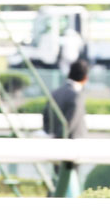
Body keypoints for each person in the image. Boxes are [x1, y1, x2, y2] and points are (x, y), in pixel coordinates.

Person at [42, 57, 89, 198]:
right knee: (69, 183)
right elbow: (71, 122)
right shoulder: (76, 95)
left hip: (56, 142)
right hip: (71, 145)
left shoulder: (56, 92)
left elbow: (45, 117)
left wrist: (52, 134)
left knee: (57, 181)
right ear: (85, 78)